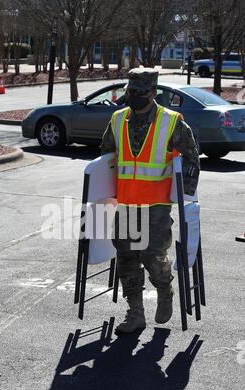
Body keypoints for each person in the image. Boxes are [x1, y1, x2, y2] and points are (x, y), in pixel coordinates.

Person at [101, 68, 200, 335]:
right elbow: (107, 154)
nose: (134, 97)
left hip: (156, 205)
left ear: (152, 93)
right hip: (127, 204)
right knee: (126, 258)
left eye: (140, 93)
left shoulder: (172, 121)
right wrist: (100, 190)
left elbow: (192, 156)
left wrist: (185, 195)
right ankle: (135, 314)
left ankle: (165, 289)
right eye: (131, 93)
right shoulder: (118, 118)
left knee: (152, 257)